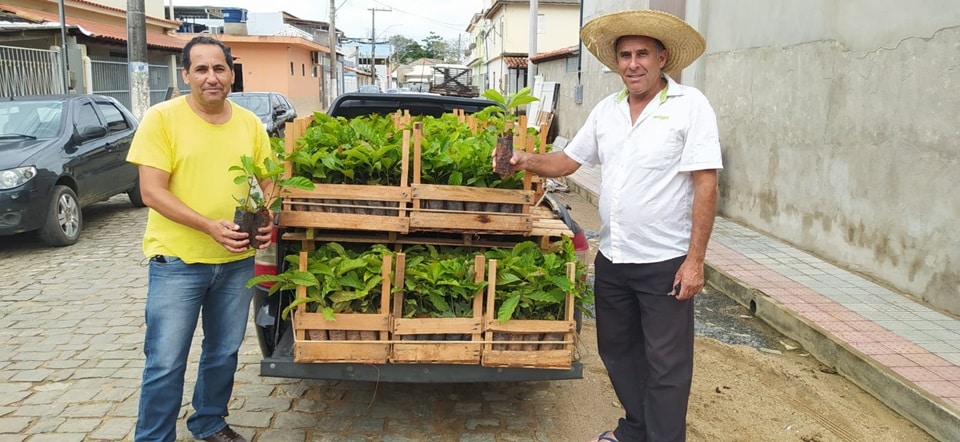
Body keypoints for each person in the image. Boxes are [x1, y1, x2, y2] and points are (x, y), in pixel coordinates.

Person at [505, 10, 722, 442]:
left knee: (667, 364)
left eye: (643, 54)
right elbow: (569, 161)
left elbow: (706, 183)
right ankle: (635, 429)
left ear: (662, 59)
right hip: (614, 258)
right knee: (618, 353)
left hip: (665, 262)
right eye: (625, 55)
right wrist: (526, 160)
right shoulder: (608, 110)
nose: (633, 63)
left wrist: (695, 261)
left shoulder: (689, 106)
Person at [127, 35, 276, 442]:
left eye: (219, 68)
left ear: (231, 73)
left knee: (223, 353)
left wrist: (267, 218)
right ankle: (155, 437)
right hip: (177, 261)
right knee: (165, 360)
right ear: (186, 75)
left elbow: (268, 179)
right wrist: (208, 225)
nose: (212, 77)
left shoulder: (248, 123)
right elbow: (151, 192)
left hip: (235, 261)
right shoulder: (162, 119)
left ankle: (209, 422)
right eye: (201, 69)